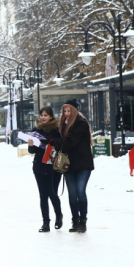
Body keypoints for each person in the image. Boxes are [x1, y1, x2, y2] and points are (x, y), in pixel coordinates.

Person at [51, 99, 94, 233]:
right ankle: (75, 220)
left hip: (83, 163)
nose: (67, 113)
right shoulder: (63, 124)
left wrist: (54, 141)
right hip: (69, 164)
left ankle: (83, 220)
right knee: (72, 193)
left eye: (69, 111)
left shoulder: (81, 123)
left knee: (80, 192)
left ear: (75, 111)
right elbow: (64, 142)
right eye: (65, 111)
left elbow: (70, 142)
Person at [27, 107, 63, 233]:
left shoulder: (56, 130)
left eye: (46, 115)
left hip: (54, 167)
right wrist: (31, 145)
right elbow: (32, 151)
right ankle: (45, 223)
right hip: (39, 166)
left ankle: (58, 215)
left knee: (52, 193)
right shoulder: (36, 130)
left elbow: (61, 144)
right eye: (41, 115)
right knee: (43, 195)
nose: (43, 117)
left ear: (51, 117)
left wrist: (48, 141)